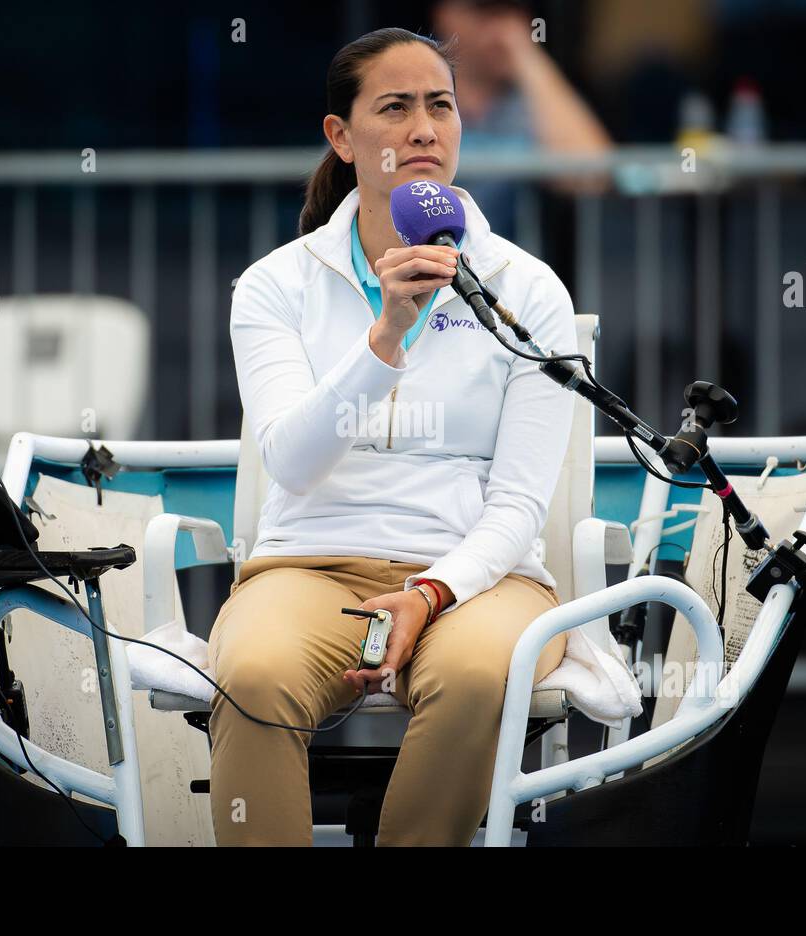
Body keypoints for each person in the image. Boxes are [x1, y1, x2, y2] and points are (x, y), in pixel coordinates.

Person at [210, 27, 581, 846]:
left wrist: (431, 591)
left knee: (483, 672)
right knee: (254, 674)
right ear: (341, 138)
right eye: (396, 107)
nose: (423, 128)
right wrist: (385, 337)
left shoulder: (527, 289)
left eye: (440, 105)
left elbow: (518, 501)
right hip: (311, 562)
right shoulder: (275, 285)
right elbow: (293, 463)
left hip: (478, 576)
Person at [431, 0, 613, 235]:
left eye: (514, 11)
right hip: (418, 262)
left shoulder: (534, 106)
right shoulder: (415, 95)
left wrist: (528, 56)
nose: (502, 27)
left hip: (505, 266)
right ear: (445, 15)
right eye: (485, 11)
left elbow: (592, 175)